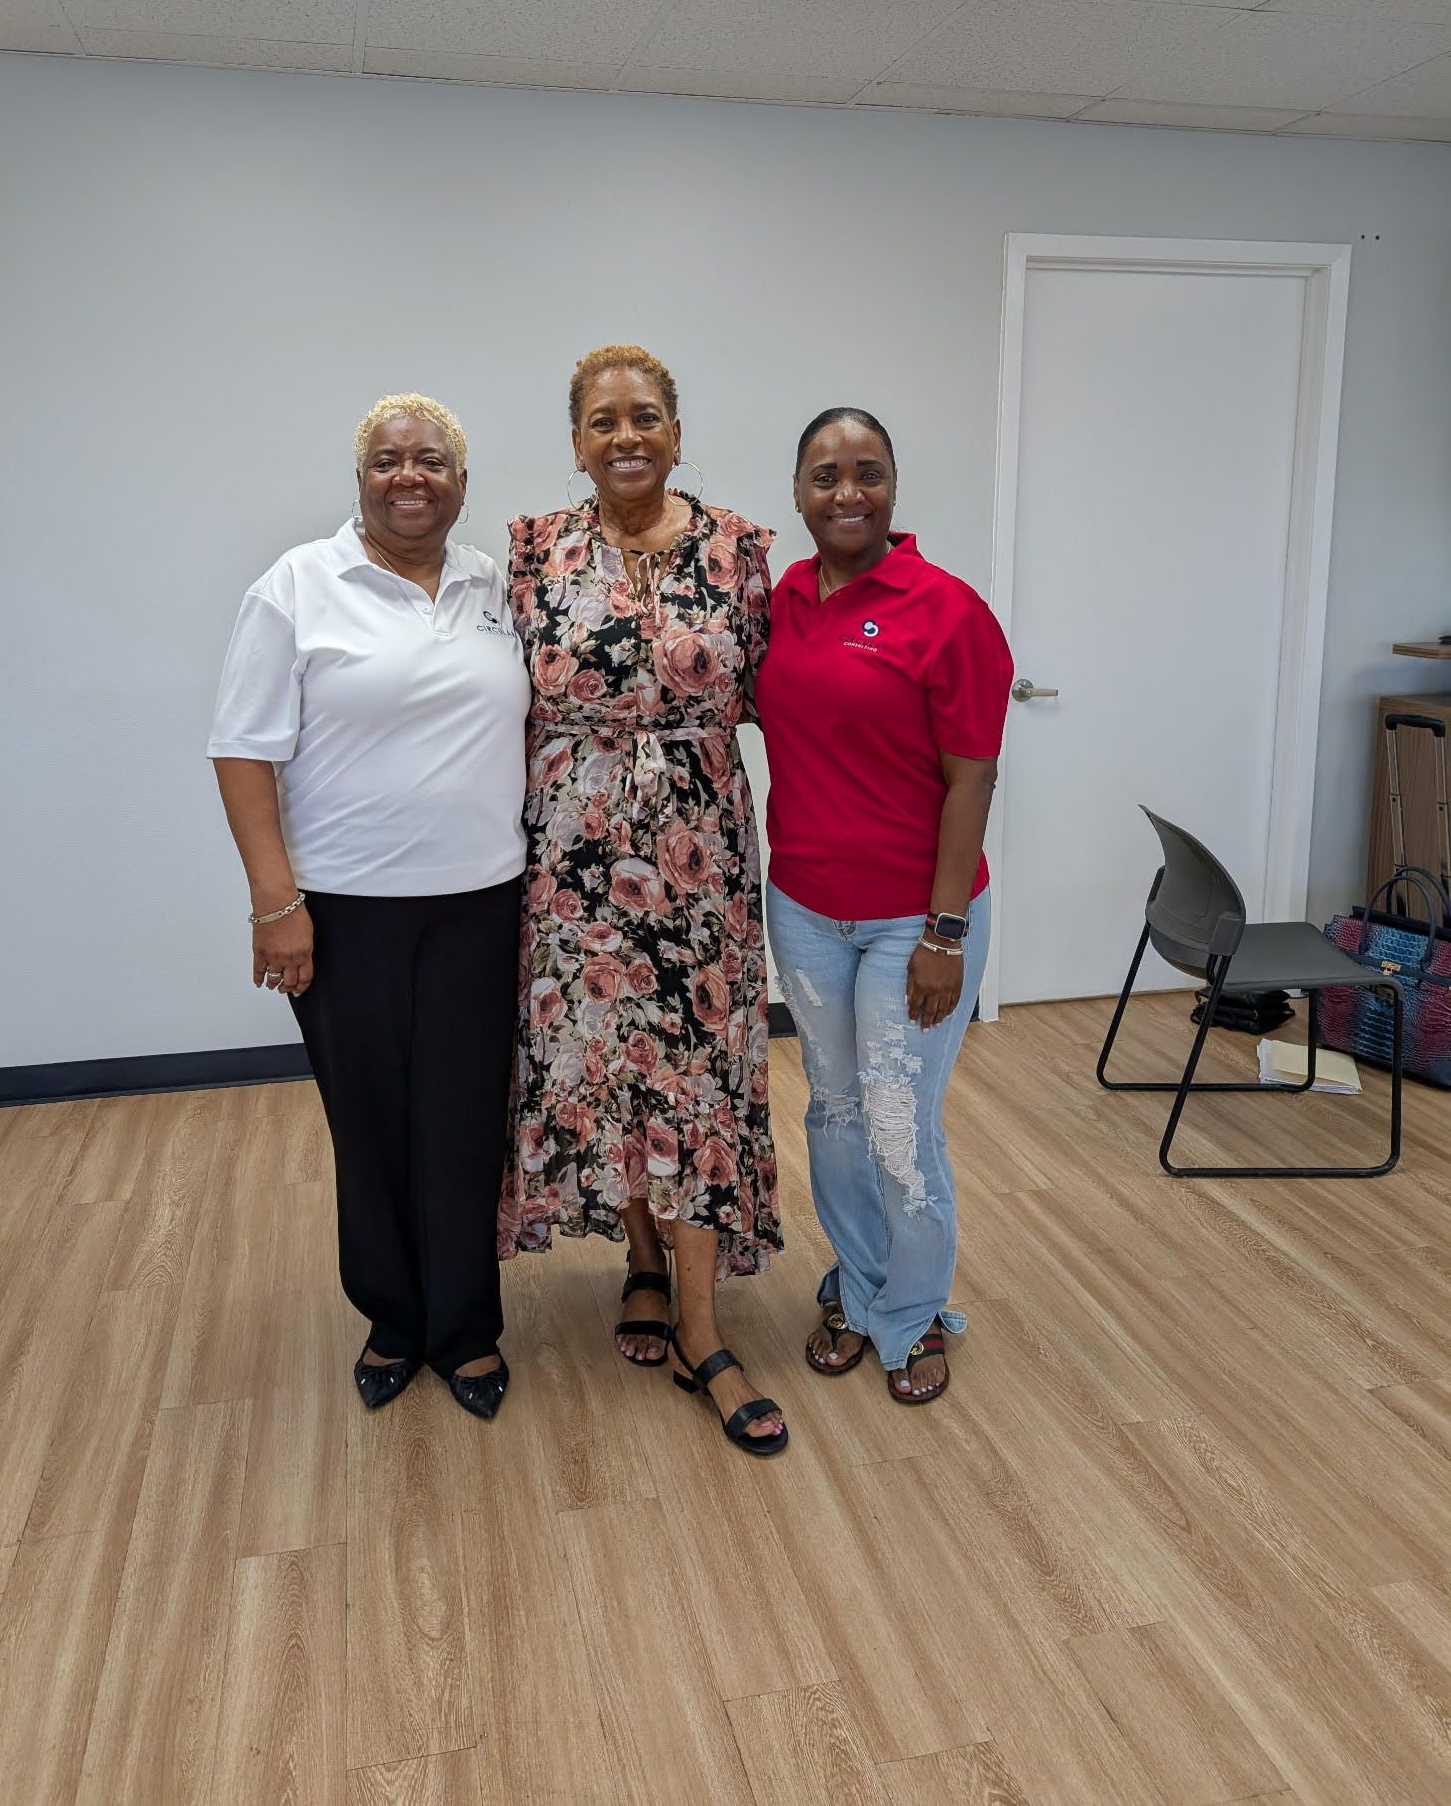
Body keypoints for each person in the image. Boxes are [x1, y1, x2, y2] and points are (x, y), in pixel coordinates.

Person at [208, 393, 530, 1421]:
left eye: (431, 459)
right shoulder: (296, 586)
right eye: (388, 459)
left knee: (467, 1119)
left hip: (483, 905)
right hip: (345, 913)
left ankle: (467, 1326)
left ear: (461, 482)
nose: (410, 475)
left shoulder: (494, 584)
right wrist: (276, 903)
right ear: (359, 479)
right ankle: (395, 1317)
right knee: (374, 1118)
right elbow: (243, 748)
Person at [499, 345, 787, 1456]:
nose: (627, 435)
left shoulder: (742, 551)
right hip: (571, 862)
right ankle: (642, 1261)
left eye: (648, 416)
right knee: (609, 1062)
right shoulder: (531, 553)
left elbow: (786, 699)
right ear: (577, 440)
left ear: (677, 432)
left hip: (700, 857)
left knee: (697, 1071)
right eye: (605, 420)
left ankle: (706, 1331)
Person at [755, 408, 1012, 1404]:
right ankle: (857, 1286)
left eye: (867, 472)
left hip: (918, 916)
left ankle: (911, 1308)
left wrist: (945, 932)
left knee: (901, 1120)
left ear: (894, 485)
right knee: (835, 1111)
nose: (846, 492)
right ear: (799, 492)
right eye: (825, 475)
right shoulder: (785, 600)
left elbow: (973, 779)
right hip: (808, 907)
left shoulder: (947, 610)